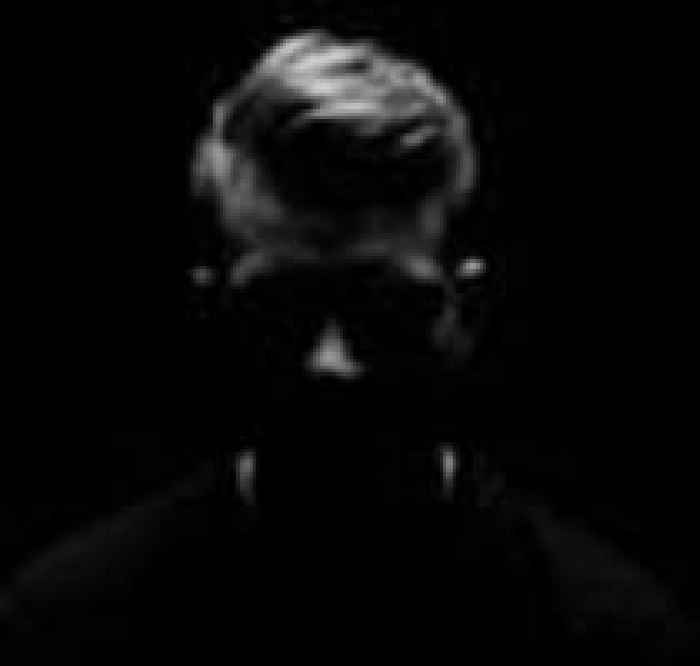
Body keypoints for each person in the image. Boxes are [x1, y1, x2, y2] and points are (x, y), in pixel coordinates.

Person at [2, 30, 695, 662]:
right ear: (212, 311)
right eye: (285, 307)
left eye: (383, 309)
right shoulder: (61, 631)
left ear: (467, 310)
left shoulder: (618, 643)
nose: (331, 364)